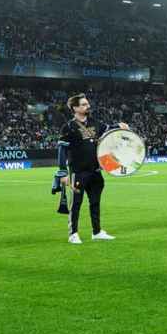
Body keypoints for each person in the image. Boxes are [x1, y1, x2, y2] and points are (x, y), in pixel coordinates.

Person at [58, 93, 130, 244]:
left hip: (95, 171)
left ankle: (96, 232)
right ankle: (73, 234)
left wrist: (119, 126)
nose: (88, 106)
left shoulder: (94, 122)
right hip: (78, 172)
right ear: (75, 108)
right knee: (76, 203)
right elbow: (62, 150)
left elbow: (108, 129)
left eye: (87, 104)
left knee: (95, 202)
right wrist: (63, 172)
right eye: (84, 104)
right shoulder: (68, 127)